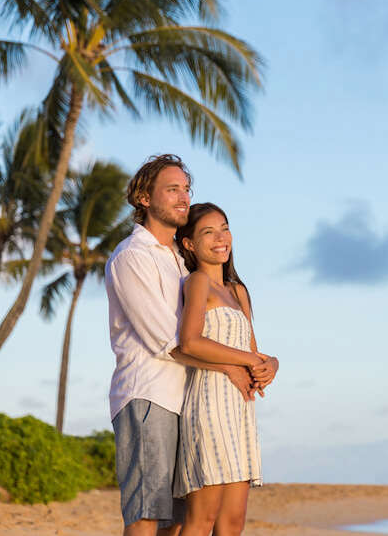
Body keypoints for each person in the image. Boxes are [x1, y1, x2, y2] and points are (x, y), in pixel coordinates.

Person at [106, 155, 277, 536]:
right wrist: (233, 366)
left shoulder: (181, 263)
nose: (183, 197)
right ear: (144, 198)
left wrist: (261, 362)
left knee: (177, 520)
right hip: (148, 396)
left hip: (187, 399)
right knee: (147, 513)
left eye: (186, 189)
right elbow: (168, 341)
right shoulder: (132, 256)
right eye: (172, 189)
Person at [172, 203, 273, 536]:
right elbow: (189, 342)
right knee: (202, 519)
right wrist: (243, 362)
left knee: (233, 523)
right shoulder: (197, 282)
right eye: (209, 232)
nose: (220, 238)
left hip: (240, 409)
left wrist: (270, 364)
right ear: (189, 244)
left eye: (224, 229)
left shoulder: (238, 291)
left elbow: (253, 353)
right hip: (209, 403)